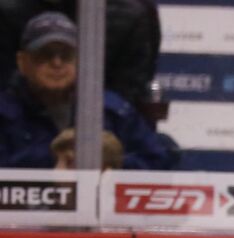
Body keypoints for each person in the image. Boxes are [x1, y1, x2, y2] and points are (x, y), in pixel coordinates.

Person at [0, 11, 175, 169]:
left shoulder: (110, 110)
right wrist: (55, 158)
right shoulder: (4, 115)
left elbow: (158, 160)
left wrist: (110, 162)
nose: (57, 63)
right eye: (45, 54)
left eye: (66, 54)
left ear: (80, 59)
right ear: (22, 62)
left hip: (101, 204)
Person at [0, 0, 161, 109]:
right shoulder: (8, 11)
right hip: (19, 134)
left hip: (107, 133)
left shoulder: (134, 13)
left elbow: (130, 99)